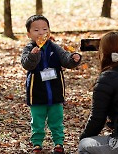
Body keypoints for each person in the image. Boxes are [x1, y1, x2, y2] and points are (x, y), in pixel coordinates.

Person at [21, 15, 82, 154]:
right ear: (29, 34)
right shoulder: (29, 48)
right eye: (36, 30)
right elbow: (26, 64)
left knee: (57, 119)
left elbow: (65, 58)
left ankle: (58, 143)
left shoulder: (54, 47)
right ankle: (37, 143)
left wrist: (74, 59)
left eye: (44, 29)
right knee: (37, 120)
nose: (41, 33)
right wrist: (33, 55)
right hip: (36, 92)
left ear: (49, 31)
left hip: (55, 91)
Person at [78, 31, 118, 154]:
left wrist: (83, 137)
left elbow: (97, 119)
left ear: (103, 53)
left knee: (84, 145)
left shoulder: (107, 77)